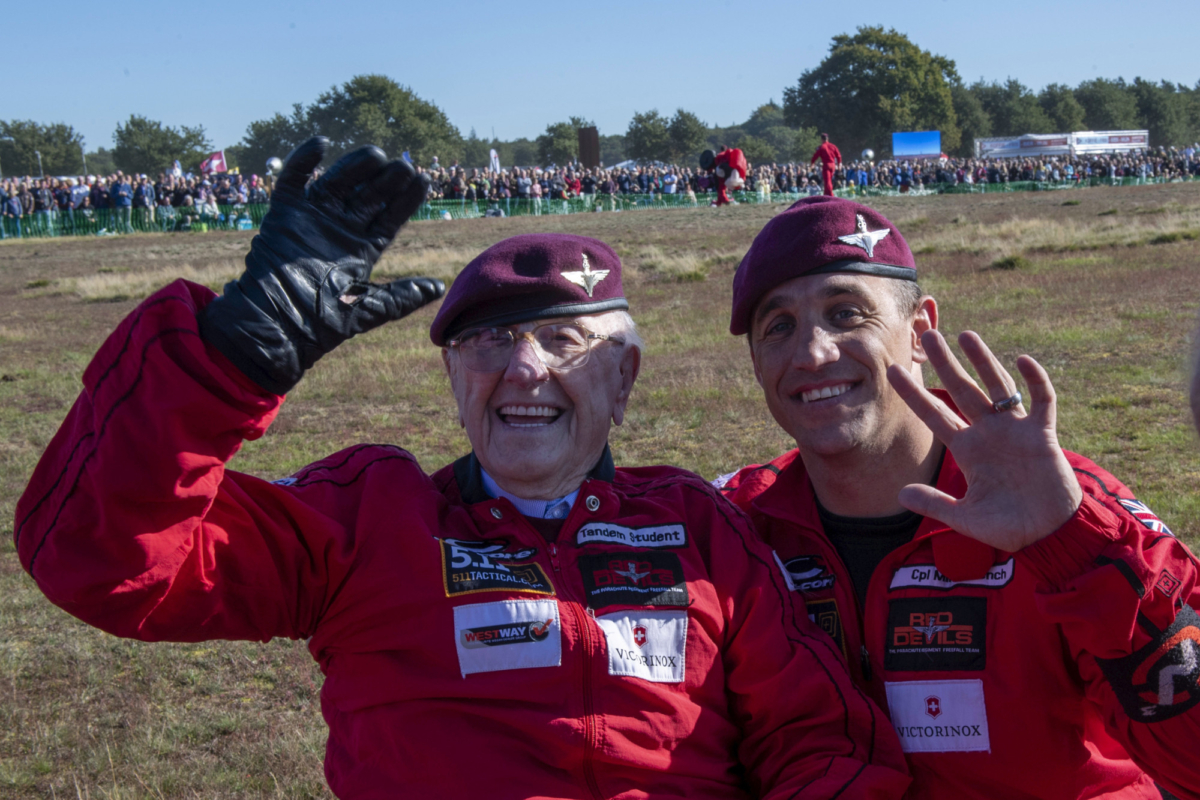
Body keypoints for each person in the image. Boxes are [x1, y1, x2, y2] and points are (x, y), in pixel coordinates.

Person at [15, 139, 909, 799]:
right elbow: (101, 560)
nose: (522, 372)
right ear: (452, 379)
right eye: (486, 343)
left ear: (624, 377)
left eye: (564, 341)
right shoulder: (371, 520)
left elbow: (819, 740)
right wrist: (226, 365)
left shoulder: (698, 526)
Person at [715, 195, 1200, 800]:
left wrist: (1073, 545)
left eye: (846, 314)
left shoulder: (1056, 502)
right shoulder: (733, 527)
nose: (811, 353)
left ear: (919, 331)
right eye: (778, 326)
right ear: (757, 362)